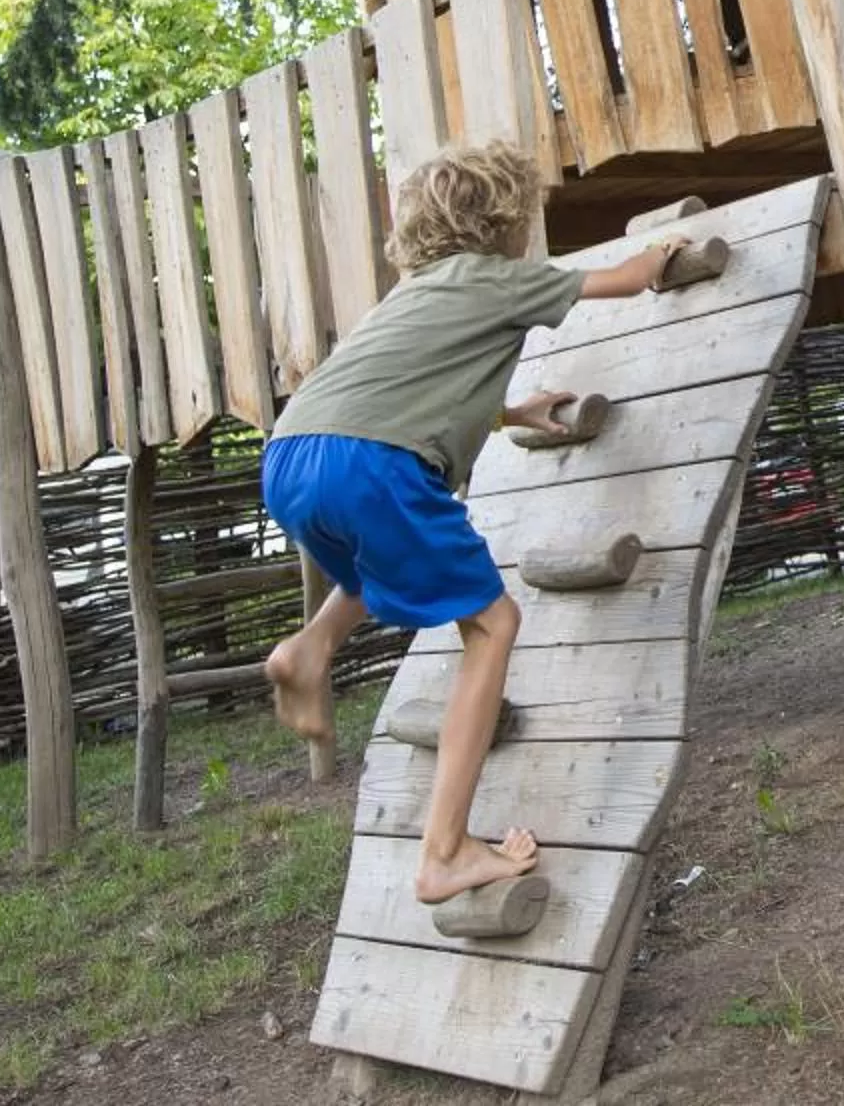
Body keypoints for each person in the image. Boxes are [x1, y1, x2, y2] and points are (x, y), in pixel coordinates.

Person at [258, 139, 679, 906]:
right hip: (373, 467)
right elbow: (623, 279)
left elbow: (405, 397)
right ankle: (445, 854)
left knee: (378, 564)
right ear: (505, 221)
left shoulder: (411, 296)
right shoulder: (497, 278)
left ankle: (309, 646)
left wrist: (513, 412)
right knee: (493, 623)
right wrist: (660, 255)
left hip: (291, 455)